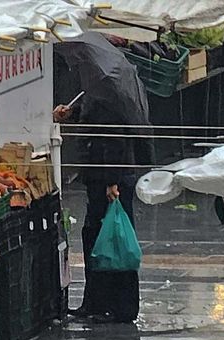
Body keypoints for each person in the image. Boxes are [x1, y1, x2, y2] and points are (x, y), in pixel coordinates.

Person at [52, 34, 152, 323]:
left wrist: (112, 183)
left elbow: (113, 140)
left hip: (111, 178)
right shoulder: (99, 89)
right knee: (96, 236)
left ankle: (119, 307)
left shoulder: (112, 94)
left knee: (113, 239)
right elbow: (92, 116)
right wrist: (71, 113)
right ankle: (96, 302)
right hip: (102, 176)